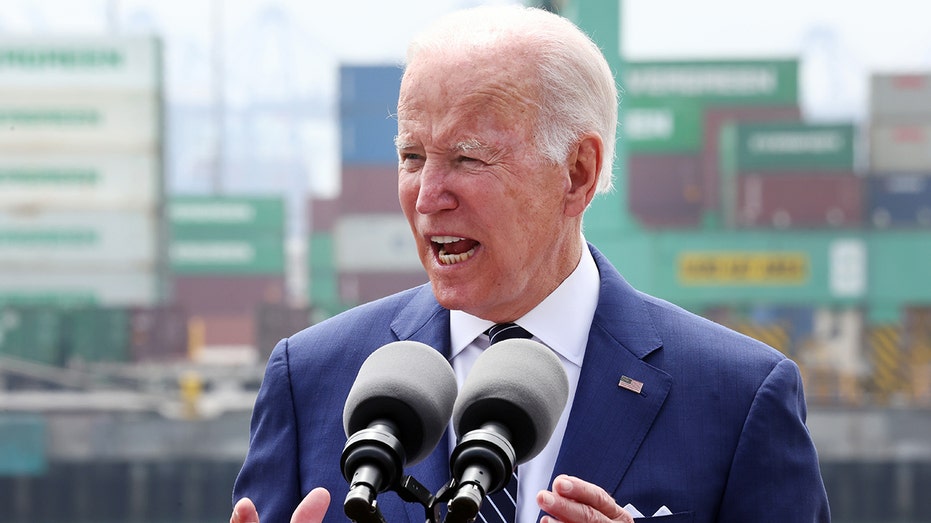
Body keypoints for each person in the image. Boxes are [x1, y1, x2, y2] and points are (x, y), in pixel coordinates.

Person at [231, 5, 830, 523]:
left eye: (467, 158)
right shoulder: (307, 379)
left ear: (578, 174)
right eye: (412, 156)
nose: (427, 194)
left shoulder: (740, 398)